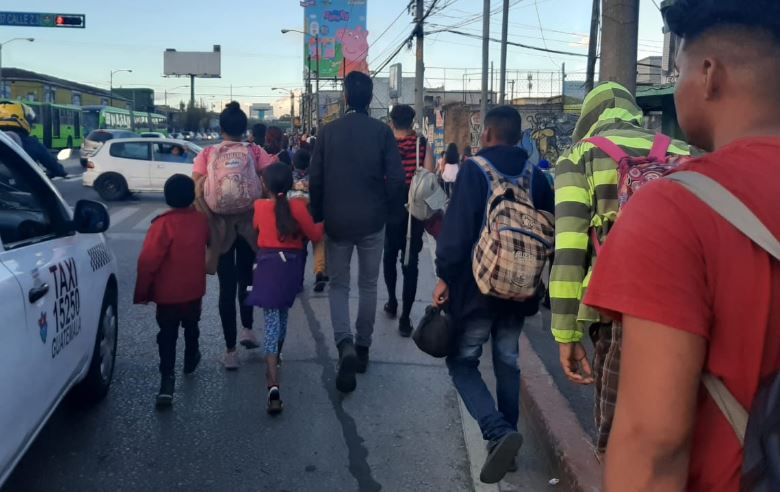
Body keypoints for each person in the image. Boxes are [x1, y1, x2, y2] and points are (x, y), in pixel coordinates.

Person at [584, 2, 780, 490]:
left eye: (679, 71)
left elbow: (653, 451)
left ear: (710, 75)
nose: (677, 86)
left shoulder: (675, 210)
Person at [548, 82, 696, 455]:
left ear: (590, 118)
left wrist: (566, 332)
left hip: (617, 309)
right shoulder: (682, 152)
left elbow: (569, 250)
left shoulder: (579, 156)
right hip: (687, 307)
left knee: (618, 437)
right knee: (676, 432)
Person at [434, 106, 554, 484]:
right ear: (519, 137)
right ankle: (509, 446)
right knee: (507, 361)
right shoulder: (537, 177)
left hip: (478, 289)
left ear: (486, 134)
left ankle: (499, 432)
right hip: (520, 290)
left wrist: (445, 278)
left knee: (462, 363)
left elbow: (456, 234)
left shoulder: (475, 170)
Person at [310, 71, 404, 393]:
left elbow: (316, 180)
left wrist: (319, 214)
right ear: (369, 98)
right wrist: (390, 214)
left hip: (337, 222)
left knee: (339, 285)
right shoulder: (382, 133)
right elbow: (396, 179)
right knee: (368, 285)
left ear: (346, 98)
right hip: (372, 221)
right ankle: (363, 348)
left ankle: (344, 344)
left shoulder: (327, 132)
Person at [192, 101, 274, 370]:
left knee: (226, 288)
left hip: (220, 230)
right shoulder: (254, 150)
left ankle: (229, 352)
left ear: (221, 127)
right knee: (247, 280)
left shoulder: (207, 154)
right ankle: (248, 328)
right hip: (249, 228)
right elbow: (273, 178)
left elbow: (196, 187)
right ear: (244, 128)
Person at [245, 162, 324, 414]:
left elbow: (257, 230)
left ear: (265, 185)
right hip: (290, 270)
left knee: (270, 321)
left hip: (267, 267)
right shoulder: (298, 207)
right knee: (282, 315)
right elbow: (314, 235)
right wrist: (325, 222)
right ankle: (276, 356)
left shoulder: (259, 207)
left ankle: (272, 381)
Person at [134, 175, 209, 407]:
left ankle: (167, 382)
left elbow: (148, 261)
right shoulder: (200, 220)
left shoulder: (162, 224)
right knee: (192, 325)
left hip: (168, 294)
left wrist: (143, 292)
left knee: (167, 336)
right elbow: (210, 241)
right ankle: (191, 358)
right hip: (194, 290)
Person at [382, 104, 434, 336]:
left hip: (390, 206)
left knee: (389, 256)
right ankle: (405, 319)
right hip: (414, 211)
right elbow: (431, 179)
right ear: (412, 123)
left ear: (392, 122)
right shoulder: (422, 146)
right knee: (410, 263)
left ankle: (392, 302)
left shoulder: (385, 145)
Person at [290, 148, 329, 292]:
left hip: (296, 218)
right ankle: (320, 272)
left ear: (293, 164)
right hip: (313, 215)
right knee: (318, 243)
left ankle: (298, 280)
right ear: (309, 164)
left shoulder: (289, 178)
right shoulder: (314, 177)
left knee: (300, 250)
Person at [0, 101, 67, 178]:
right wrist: (61, 171)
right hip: (21, 187)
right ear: (20, 118)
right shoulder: (31, 142)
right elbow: (52, 164)